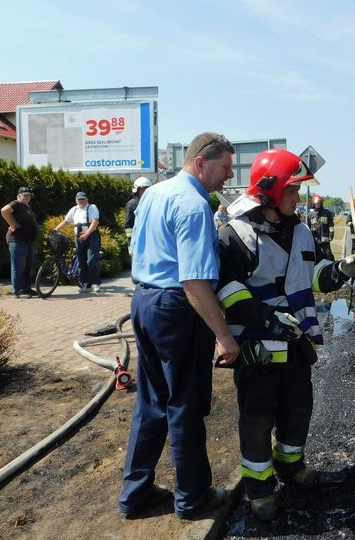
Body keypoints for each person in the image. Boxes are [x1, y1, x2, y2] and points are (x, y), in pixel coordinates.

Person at [217, 149, 355, 521]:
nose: (298, 198)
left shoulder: (302, 231)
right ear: (270, 192)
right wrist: (268, 318)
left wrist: (345, 268)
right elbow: (227, 289)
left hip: (296, 344)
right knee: (257, 418)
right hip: (258, 347)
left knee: (298, 409)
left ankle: (290, 467)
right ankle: (259, 489)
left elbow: (315, 276)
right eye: (292, 191)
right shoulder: (237, 235)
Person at [118, 132, 241, 520]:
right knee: (185, 405)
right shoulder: (193, 204)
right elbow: (194, 281)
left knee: (151, 403)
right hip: (177, 307)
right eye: (225, 168)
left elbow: (137, 250)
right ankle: (193, 499)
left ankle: (135, 494)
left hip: (144, 301)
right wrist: (224, 335)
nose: (228, 177)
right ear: (201, 163)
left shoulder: (154, 193)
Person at [53, 192, 101, 293]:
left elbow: (95, 222)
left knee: (91, 261)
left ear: (87, 199)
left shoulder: (91, 207)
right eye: (79, 199)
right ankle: (86, 285)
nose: (81, 201)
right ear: (76, 200)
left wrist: (87, 234)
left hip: (91, 236)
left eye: (83, 199)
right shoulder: (74, 209)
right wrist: (55, 230)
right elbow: (66, 221)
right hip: (79, 238)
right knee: (82, 262)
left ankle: (96, 284)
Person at [0, 186, 38, 298]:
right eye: (24, 195)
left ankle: (26, 289)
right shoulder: (16, 203)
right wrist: (12, 224)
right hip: (17, 240)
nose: (27, 197)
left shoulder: (26, 207)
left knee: (28, 266)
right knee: (18, 266)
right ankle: (18, 291)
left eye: (28, 195)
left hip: (28, 241)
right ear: (18, 196)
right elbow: (4, 210)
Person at [124, 176, 153, 247]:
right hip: (137, 240)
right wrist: (131, 241)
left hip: (151, 239)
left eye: (146, 189)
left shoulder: (153, 202)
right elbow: (129, 225)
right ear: (137, 190)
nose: (144, 192)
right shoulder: (132, 204)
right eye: (142, 190)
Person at [307, 193, 334, 260]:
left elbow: (331, 225)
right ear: (313, 204)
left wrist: (331, 234)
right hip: (315, 240)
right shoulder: (310, 215)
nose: (317, 204)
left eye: (319, 203)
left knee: (328, 255)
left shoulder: (327, 213)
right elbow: (307, 228)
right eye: (316, 203)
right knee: (316, 257)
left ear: (321, 203)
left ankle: (332, 267)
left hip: (325, 239)